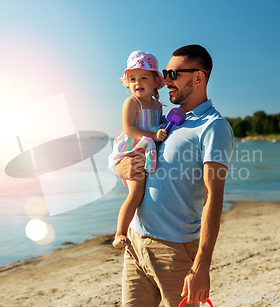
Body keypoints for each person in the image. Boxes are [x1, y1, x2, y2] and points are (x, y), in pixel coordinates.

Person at [115, 45, 234, 307]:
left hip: (173, 249)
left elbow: (213, 197)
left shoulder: (213, 127)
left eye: (173, 73)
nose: (165, 79)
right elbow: (135, 157)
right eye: (165, 72)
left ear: (198, 77)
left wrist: (201, 266)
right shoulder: (164, 119)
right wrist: (119, 169)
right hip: (135, 241)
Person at [108, 51, 168, 249]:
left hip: (148, 150)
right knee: (135, 193)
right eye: (132, 79)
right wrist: (153, 135)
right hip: (133, 150)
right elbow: (129, 129)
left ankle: (144, 227)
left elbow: (159, 128)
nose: (137, 82)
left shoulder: (158, 105)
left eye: (143, 77)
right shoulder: (132, 102)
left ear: (154, 81)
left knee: (147, 190)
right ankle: (119, 233)